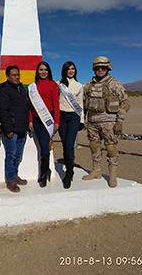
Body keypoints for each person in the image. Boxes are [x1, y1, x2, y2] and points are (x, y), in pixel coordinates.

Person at [83, 56, 130, 187]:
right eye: (98, 68)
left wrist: (120, 120)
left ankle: (113, 175)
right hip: (93, 122)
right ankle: (96, 171)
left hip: (109, 122)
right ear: (94, 69)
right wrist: (84, 119)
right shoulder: (88, 85)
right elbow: (84, 103)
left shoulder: (114, 83)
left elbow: (124, 103)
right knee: (94, 146)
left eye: (103, 68)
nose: (100, 70)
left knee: (110, 148)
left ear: (108, 68)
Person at [0, 65, 29, 193]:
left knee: (18, 155)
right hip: (12, 129)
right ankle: (10, 180)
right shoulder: (4, 89)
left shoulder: (21, 88)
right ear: (8, 76)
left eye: (18, 74)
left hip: (22, 128)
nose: (17, 77)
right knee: (11, 155)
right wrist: (8, 129)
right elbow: (3, 111)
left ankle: (15, 175)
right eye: (14, 75)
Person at [28, 61, 60, 187]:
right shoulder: (33, 86)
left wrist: (57, 121)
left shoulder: (53, 85)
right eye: (41, 69)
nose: (43, 72)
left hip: (48, 119)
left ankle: (43, 173)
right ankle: (46, 170)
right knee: (40, 144)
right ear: (37, 71)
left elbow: (56, 104)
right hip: (36, 119)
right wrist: (30, 120)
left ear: (49, 71)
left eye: (45, 69)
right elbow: (31, 106)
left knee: (44, 145)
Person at [57, 61, 84, 189]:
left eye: (73, 68)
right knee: (64, 144)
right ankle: (70, 169)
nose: (71, 71)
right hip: (61, 117)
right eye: (68, 69)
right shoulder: (58, 84)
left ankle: (69, 172)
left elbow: (80, 104)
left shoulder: (79, 86)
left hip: (73, 116)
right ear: (65, 70)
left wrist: (82, 120)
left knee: (69, 144)